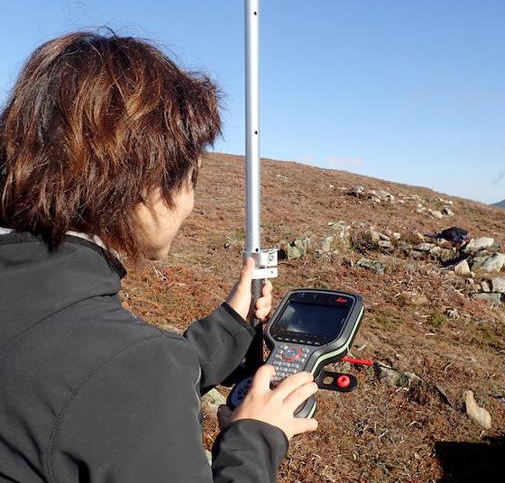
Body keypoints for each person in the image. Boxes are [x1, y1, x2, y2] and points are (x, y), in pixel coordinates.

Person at [0, 31, 318, 483]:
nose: (190, 204)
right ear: (148, 185)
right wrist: (256, 436)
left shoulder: (39, 309)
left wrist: (232, 320)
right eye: (192, 180)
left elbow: (88, 380)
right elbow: (117, 379)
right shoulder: (130, 370)